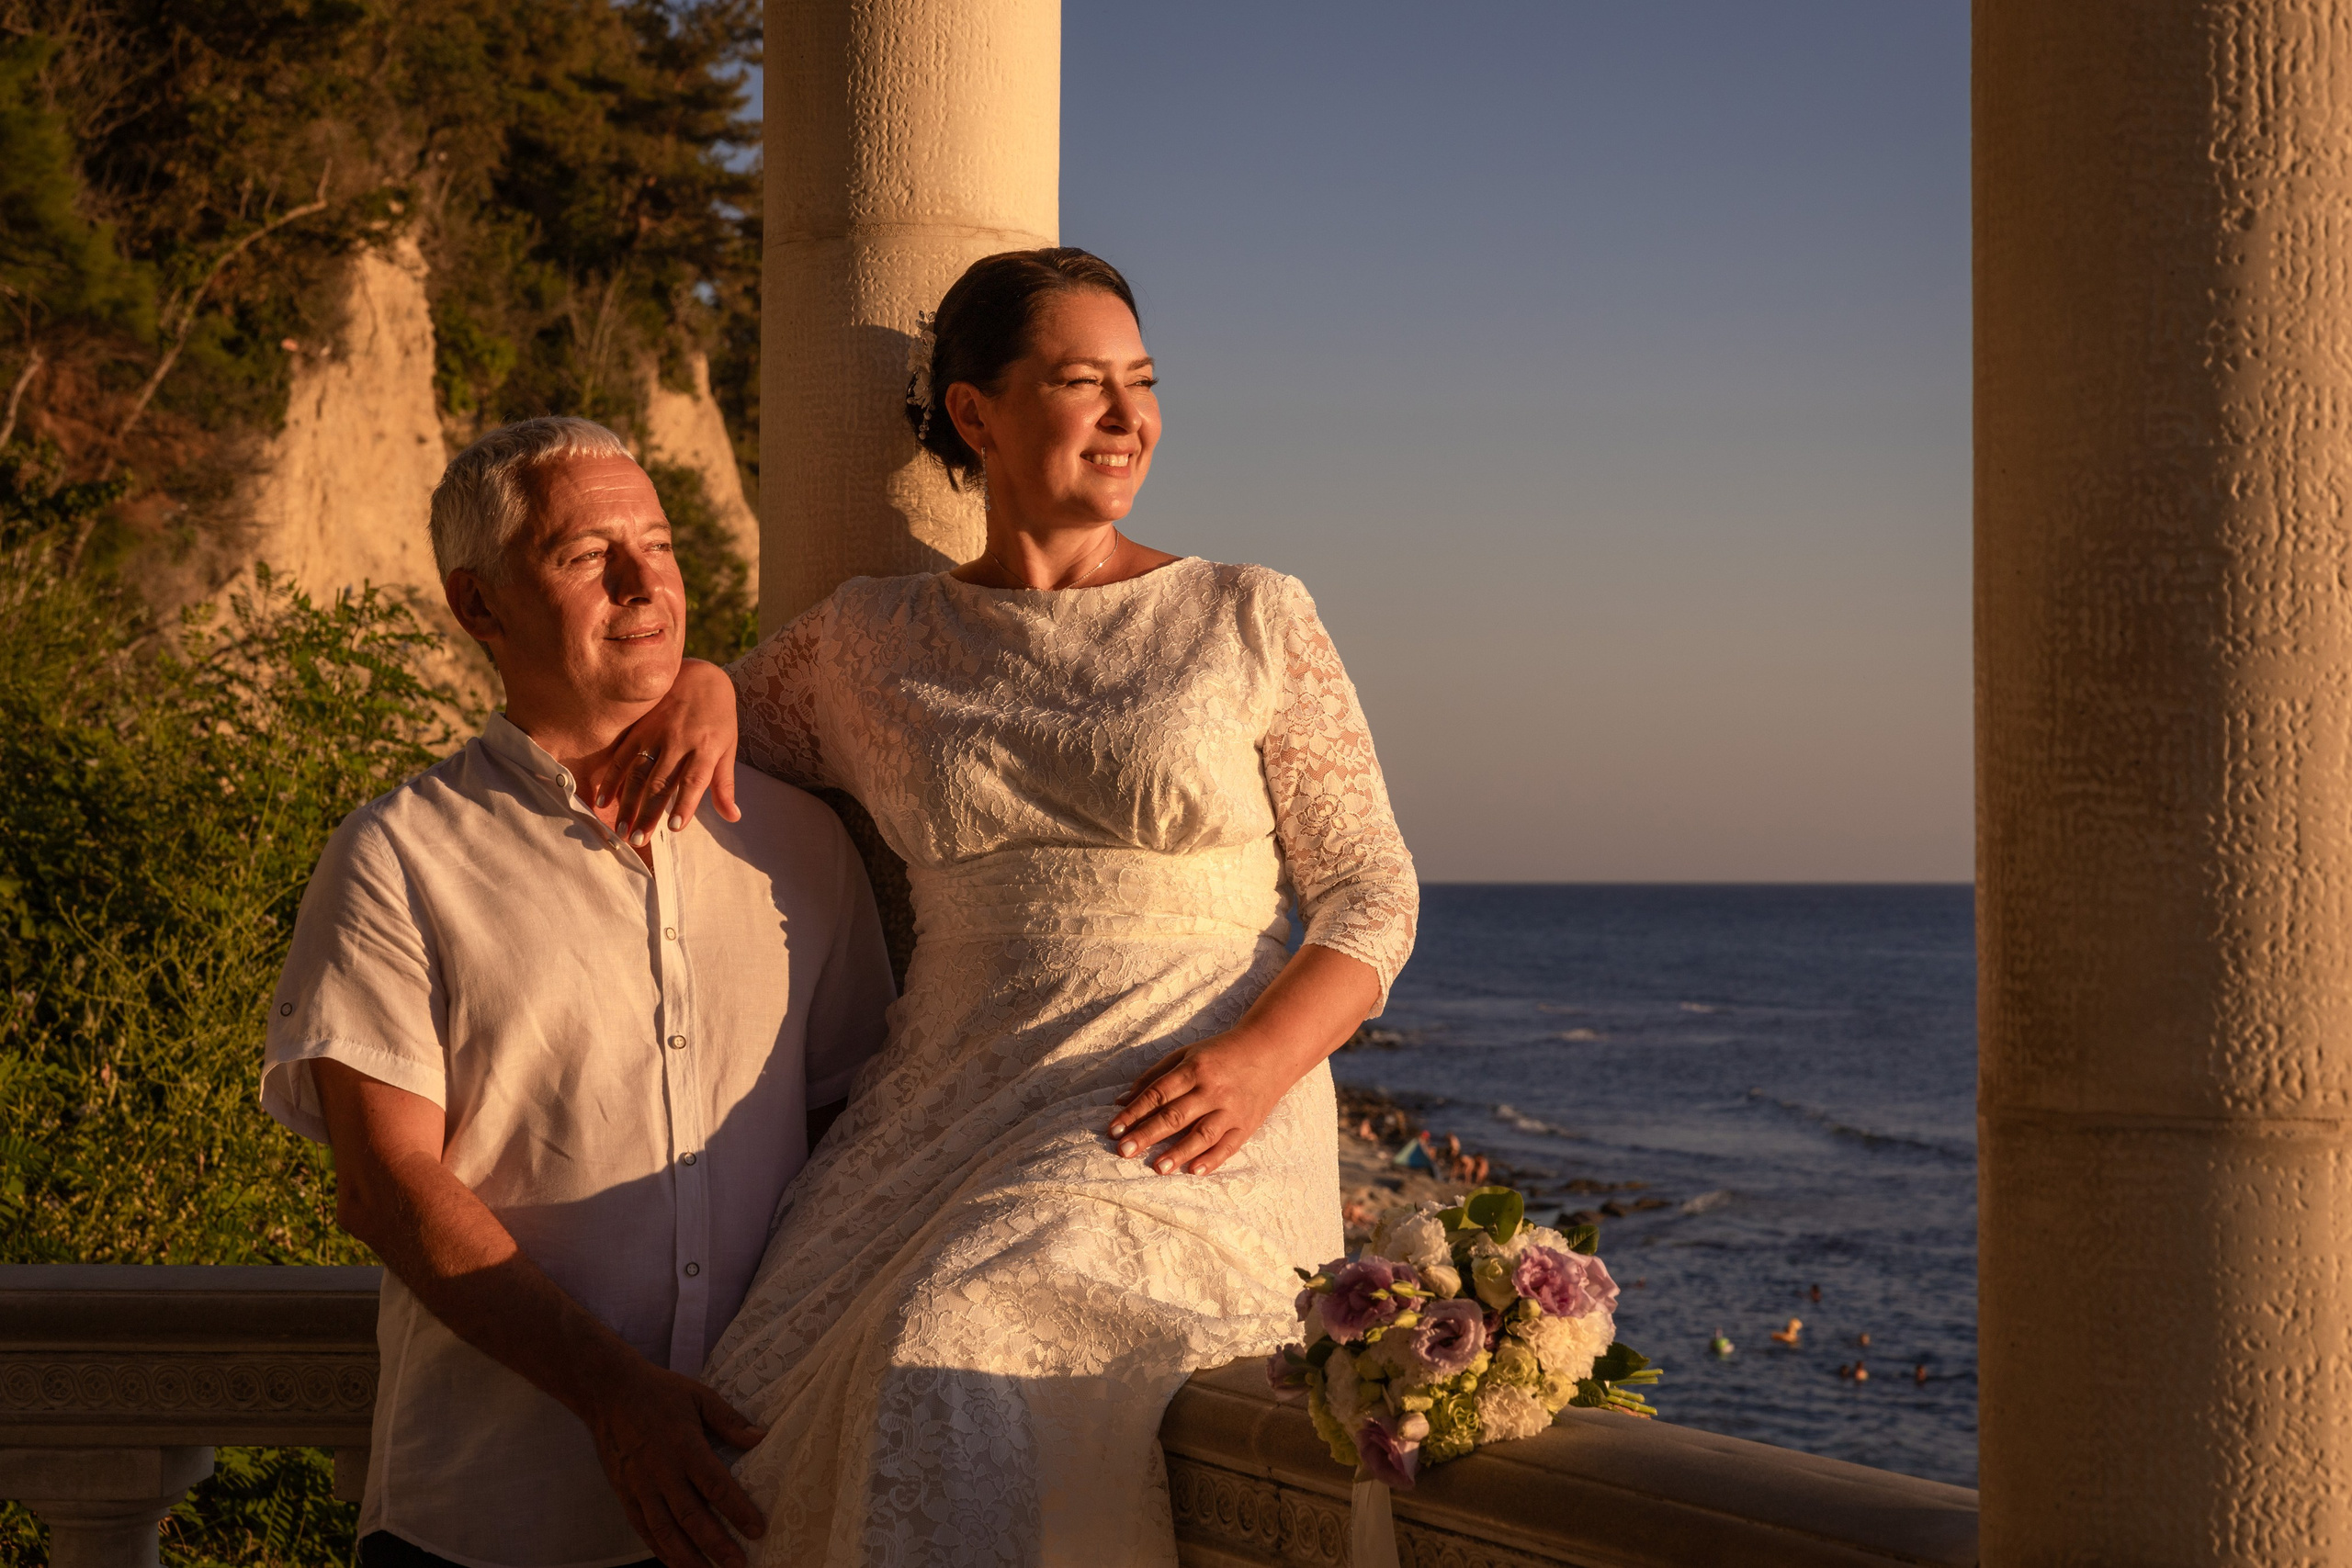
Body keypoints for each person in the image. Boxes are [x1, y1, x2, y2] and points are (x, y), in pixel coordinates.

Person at [611, 248, 1419, 1565]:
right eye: (1083, 383)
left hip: (1183, 1099)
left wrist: (1263, 1058)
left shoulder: (1245, 613)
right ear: (976, 413)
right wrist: (703, 677)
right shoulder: (874, 638)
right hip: (943, 1094)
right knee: (750, 1400)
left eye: (1143, 384)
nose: (1129, 417)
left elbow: (1373, 891)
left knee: (961, 1325)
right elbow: (725, 710)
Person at [258, 418, 897, 1568]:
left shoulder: (799, 844)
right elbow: (385, 1184)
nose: (644, 582)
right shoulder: (399, 855)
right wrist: (617, 1399)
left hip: (763, 1502)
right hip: (490, 1518)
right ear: (480, 606)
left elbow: (851, 1139)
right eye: (583, 555)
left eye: (657, 544)